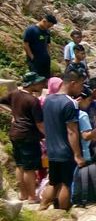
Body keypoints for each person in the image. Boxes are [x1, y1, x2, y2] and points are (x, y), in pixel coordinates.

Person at [40, 70, 85, 210]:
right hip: (65, 151)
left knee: (54, 183)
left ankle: (42, 207)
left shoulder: (48, 100)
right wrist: (77, 155)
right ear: (73, 83)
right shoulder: (70, 104)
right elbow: (72, 132)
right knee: (66, 183)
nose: (81, 88)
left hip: (52, 149)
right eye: (81, 84)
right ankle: (63, 212)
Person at [0, 72, 46, 202]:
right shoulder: (33, 101)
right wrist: (48, 137)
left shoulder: (14, 94)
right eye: (39, 82)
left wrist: (12, 113)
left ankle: (23, 194)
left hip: (15, 134)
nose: (42, 85)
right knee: (29, 168)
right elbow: (40, 124)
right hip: (28, 136)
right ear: (32, 84)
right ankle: (32, 196)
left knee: (19, 165)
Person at [22, 14, 56, 79]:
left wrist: (48, 55)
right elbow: (25, 44)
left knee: (46, 78)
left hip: (45, 59)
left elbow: (48, 44)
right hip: (35, 59)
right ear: (44, 21)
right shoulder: (31, 29)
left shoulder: (47, 32)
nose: (49, 27)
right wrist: (31, 56)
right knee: (36, 78)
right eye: (49, 25)